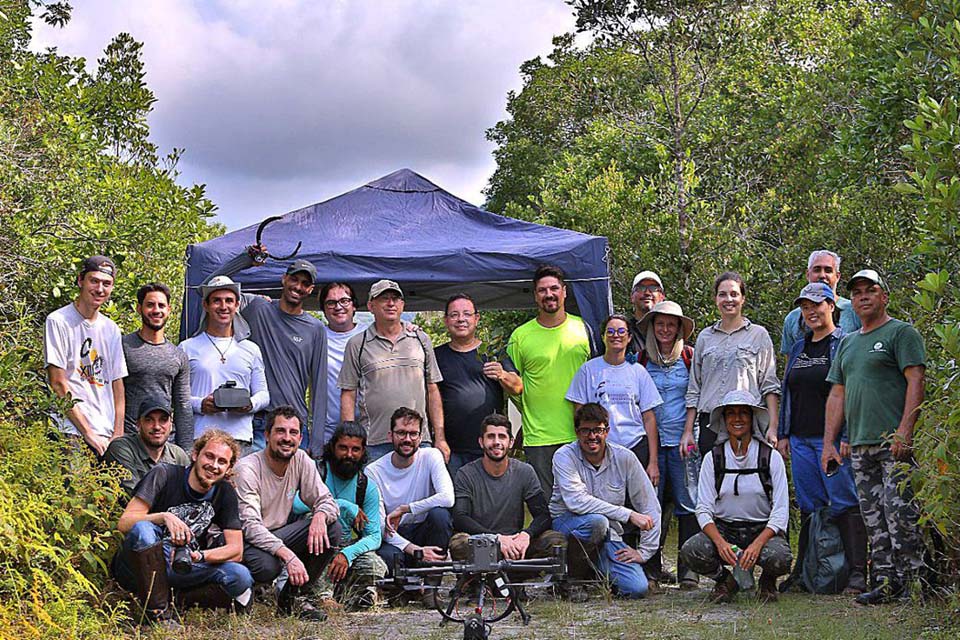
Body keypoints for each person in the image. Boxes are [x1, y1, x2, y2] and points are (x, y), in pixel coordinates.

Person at [822, 269, 927, 605]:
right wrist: (829, 443)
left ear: (884, 296)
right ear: (851, 301)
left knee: (901, 517)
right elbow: (837, 395)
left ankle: (915, 585)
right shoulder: (849, 343)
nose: (863, 296)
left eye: (870, 290)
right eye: (857, 293)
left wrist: (905, 430)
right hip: (860, 446)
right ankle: (884, 583)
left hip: (893, 444)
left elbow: (916, 382)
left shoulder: (902, 333)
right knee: (873, 519)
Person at [565, 313, 669, 588]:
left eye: (621, 331)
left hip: (634, 447)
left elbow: (649, 417)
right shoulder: (590, 370)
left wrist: (654, 461)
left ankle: (648, 565)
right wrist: (584, 442)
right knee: (607, 511)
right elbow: (580, 411)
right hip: (599, 449)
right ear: (603, 336)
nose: (616, 336)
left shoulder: (638, 372)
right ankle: (597, 564)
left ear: (628, 336)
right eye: (610, 331)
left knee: (642, 507)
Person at [777, 283, 867, 594]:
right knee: (809, 506)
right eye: (805, 307)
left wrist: (845, 434)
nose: (811, 312)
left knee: (843, 502)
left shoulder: (844, 342)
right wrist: (783, 434)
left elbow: (852, 392)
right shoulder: (800, 347)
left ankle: (857, 574)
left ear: (832, 305)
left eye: (817, 305)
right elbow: (788, 390)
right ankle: (806, 571)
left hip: (831, 439)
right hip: (800, 440)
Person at [112, 429, 254, 627]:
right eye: (209, 456)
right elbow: (125, 523)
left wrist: (201, 556)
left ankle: (178, 600)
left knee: (240, 576)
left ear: (229, 467)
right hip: (142, 564)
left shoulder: (224, 491)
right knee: (143, 529)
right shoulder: (164, 474)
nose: (213, 465)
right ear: (195, 455)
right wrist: (163, 517)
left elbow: (236, 550)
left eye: (222, 461)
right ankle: (159, 614)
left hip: (182, 564)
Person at [205, 248, 328, 453]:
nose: (298, 286)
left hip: (294, 426)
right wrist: (245, 260)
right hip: (257, 422)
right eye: (294, 279)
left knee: (290, 486)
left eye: (305, 283)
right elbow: (210, 287)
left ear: (311, 289)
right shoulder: (258, 308)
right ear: (283, 279)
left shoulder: (315, 329)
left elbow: (319, 386)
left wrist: (316, 444)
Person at [680, 390, 791, 604]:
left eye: (743, 413)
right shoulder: (713, 459)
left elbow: (780, 512)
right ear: (723, 420)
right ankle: (725, 581)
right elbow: (703, 509)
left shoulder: (770, 457)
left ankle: (767, 582)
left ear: (753, 419)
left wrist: (757, 545)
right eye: (731, 413)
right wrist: (720, 543)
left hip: (761, 529)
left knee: (780, 558)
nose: (737, 419)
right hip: (725, 529)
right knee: (691, 550)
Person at [234, 406, 341, 620]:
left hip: (278, 534)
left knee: (332, 529)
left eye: (293, 433)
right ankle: (248, 594)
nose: (287, 438)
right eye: (280, 431)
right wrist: (288, 555)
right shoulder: (247, 469)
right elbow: (250, 526)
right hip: (244, 541)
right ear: (266, 435)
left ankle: (294, 598)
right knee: (268, 566)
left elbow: (328, 502)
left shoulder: (301, 460)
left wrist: (319, 516)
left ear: (301, 438)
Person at [550, 403, 661, 599]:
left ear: (607, 431)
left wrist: (644, 552)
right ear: (576, 432)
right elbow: (577, 501)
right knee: (596, 522)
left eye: (598, 430)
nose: (592, 436)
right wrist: (628, 514)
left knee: (637, 588)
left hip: (609, 535)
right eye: (585, 430)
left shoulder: (625, 457)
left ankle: (597, 572)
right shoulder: (564, 456)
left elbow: (649, 504)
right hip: (568, 525)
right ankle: (571, 580)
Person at [506, 265, 592, 496]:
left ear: (564, 292)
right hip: (539, 438)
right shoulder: (520, 336)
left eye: (554, 288)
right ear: (535, 296)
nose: (549, 294)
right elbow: (512, 385)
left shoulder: (584, 329)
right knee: (545, 507)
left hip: (581, 434)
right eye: (542, 290)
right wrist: (529, 411)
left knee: (583, 501)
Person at [338, 279, 445, 462]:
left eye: (395, 299)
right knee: (374, 492)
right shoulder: (357, 344)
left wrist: (440, 438)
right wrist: (350, 440)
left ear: (402, 305)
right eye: (384, 298)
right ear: (371, 306)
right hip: (374, 442)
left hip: (418, 440)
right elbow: (348, 393)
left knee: (422, 492)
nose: (390, 303)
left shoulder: (421, 339)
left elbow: (432, 389)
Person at [681, 271, 781, 458]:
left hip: (746, 421)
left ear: (743, 298)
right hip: (710, 423)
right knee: (713, 482)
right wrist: (688, 431)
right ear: (716, 299)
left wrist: (773, 426)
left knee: (749, 483)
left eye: (734, 294)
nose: (729, 299)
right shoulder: (705, 337)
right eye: (723, 294)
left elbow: (770, 384)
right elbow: (694, 388)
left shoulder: (758, 335)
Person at [637, 300, 701, 590]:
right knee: (652, 504)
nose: (665, 329)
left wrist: (689, 432)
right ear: (652, 327)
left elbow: (695, 396)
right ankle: (651, 569)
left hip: (682, 441)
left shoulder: (689, 357)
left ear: (679, 329)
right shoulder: (639, 360)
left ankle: (689, 569)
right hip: (650, 443)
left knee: (688, 503)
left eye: (671, 324)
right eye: (660, 323)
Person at [450, 414, 565, 564]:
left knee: (556, 540)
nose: (496, 442)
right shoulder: (466, 473)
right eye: (490, 437)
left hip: (516, 545)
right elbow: (460, 518)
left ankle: (541, 583)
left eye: (502, 437)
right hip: (483, 543)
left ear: (510, 442)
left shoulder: (525, 471)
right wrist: (495, 538)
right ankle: (478, 583)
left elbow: (543, 515)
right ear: (481, 442)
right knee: (459, 544)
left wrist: (526, 535)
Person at [44, 255, 127, 457]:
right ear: (81, 280)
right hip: (71, 432)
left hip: (107, 435)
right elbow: (58, 383)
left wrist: (117, 434)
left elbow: (117, 384)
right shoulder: (58, 321)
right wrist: (88, 433)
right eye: (94, 281)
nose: (100, 289)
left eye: (106, 284)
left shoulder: (111, 329)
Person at [366, 407, 454, 594]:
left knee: (440, 515)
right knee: (389, 557)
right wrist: (416, 551)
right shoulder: (374, 471)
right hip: (395, 539)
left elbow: (448, 498)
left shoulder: (431, 456)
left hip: (424, 530)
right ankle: (406, 589)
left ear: (421, 437)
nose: (407, 439)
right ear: (390, 436)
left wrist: (406, 508)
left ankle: (432, 586)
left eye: (413, 434)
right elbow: (381, 528)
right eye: (401, 433)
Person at [179, 275, 269, 455]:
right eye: (216, 301)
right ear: (206, 305)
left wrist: (249, 404)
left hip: (240, 438)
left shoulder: (250, 349)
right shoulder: (187, 347)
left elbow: (264, 394)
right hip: (201, 437)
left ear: (237, 305)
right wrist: (201, 404)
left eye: (229, 301)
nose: (223, 306)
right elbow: (177, 397)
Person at [435, 293, 522, 478]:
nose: (461, 319)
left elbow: (518, 387)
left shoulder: (493, 353)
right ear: (446, 320)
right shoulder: (436, 356)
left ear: (476, 318)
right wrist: (439, 438)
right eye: (454, 315)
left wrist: (502, 374)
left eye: (466, 314)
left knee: (489, 501)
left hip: (489, 446)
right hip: (451, 449)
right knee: (457, 503)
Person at [313, 420, 387, 611]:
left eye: (355, 450)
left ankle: (354, 593)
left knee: (376, 566)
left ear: (363, 452)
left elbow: (374, 536)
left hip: (346, 548)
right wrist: (345, 506)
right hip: (315, 544)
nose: (349, 455)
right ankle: (322, 597)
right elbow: (296, 505)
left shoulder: (366, 486)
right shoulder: (317, 472)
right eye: (343, 448)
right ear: (332, 447)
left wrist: (347, 554)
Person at [122, 282, 193, 448]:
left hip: (164, 443)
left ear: (169, 310)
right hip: (128, 442)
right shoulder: (122, 346)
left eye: (161, 305)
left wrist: (186, 452)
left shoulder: (178, 356)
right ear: (139, 309)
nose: (156, 310)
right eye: (150, 305)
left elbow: (183, 406)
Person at [104, 397, 190, 496]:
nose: (157, 427)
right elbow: (133, 497)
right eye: (149, 420)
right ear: (138, 424)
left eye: (163, 420)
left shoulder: (178, 455)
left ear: (171, 425)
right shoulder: (121, 448)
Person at [781, 250, 861, 354]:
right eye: (817, 270)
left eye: (828, 270)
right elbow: (790, 363)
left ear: (837, 276)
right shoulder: (792, 318)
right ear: (808, 274)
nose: (822, 275)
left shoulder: (854, 310)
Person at [319, 282, 367, 446]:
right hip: (326, 430)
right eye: (331, 303)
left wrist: (409, 327)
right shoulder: (316, 336)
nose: (338, 307)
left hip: (367, 427)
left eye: (344, 301)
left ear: (354, 305)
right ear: (324, 309)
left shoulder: (370, 335)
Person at [626, 270, 666, 357]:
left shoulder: (671, 330)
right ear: (632, 297)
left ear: (662, 296)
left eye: (653, 288)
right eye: (641, 288)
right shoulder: (624, 330)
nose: (647, 293)